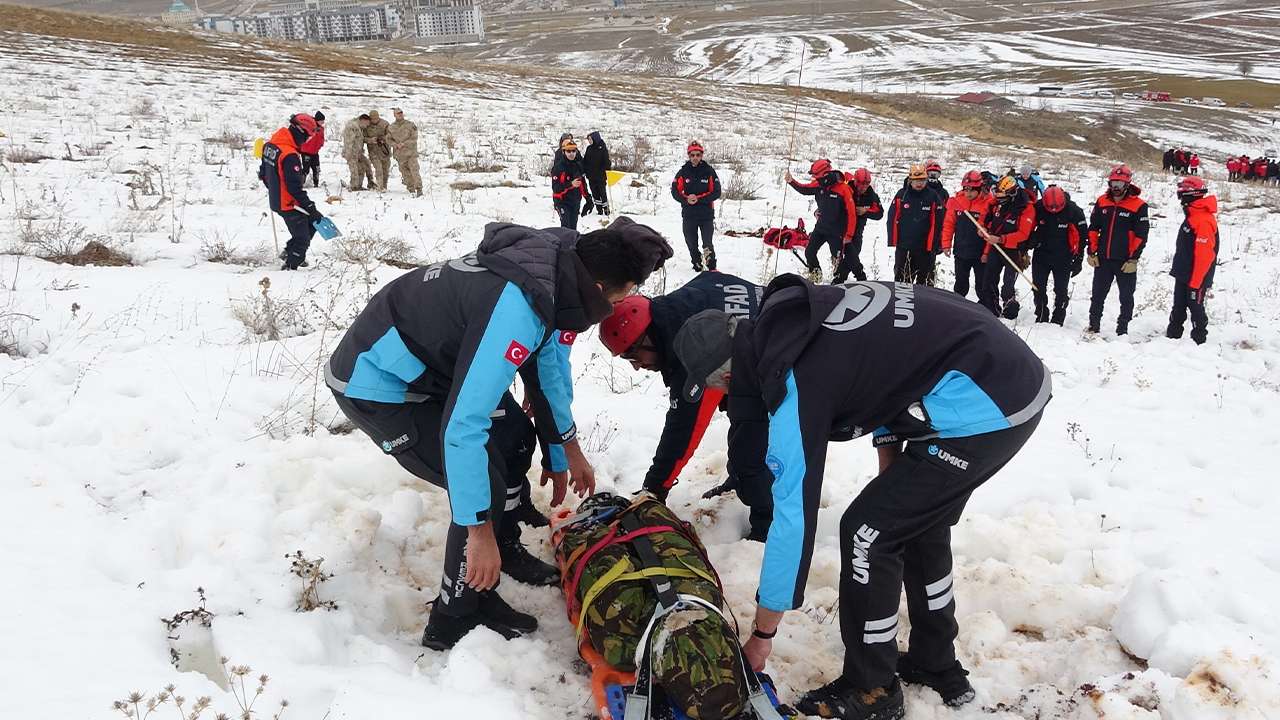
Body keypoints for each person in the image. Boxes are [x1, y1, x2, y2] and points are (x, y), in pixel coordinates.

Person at [673, 275, 1050, 720]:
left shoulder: (795, 376)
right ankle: (935, 662)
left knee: (866, 534)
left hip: (988, 404)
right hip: (1000, 376)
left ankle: (872, 689)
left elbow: (793, 514)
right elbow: (889, 378)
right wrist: (891, 482)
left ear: (730, 374)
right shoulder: (798, 324)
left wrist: (762, 634)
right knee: (910, 522)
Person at [326, 217, 673, 651]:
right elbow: (463, 426)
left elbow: (548, 369)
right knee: (480, 487)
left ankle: (504, 548)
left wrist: (565, 447)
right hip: (379, 382)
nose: (627, 301)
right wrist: (479, 530)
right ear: (601, 289)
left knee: (513, 436)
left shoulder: (560, 270)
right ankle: (455, 615)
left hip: (431, 369)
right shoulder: (517, 307)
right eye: (627, 292)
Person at [597, 272, 773, 540]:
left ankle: (768, 527)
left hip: (786, 361)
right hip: (765, 342)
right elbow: (712, 275)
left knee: (752, 455)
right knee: (742, 422)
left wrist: (653, 490)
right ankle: (741, 482)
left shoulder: (693, 347)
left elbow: (684, 430)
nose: (635, 365)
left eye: (633, 354)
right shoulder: (684, 302)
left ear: (647, 335)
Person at [1086, 164, 1149, 336]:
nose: (1116, 187)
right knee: (1098, 294)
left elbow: (1141, 235)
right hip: (1103, 259)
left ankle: (1123, 328)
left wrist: (1133, 258)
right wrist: (1091, 252)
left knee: (1126, 297)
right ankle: (1093, 324)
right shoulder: (1102, 201)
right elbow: (1093, 228)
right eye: (1113, 183)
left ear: (1127, 184)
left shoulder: (1139, 205)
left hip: (1125, 261)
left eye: (1120, 184)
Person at [258, 113, 325, 271]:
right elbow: (295, 188)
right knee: (302, 239)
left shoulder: (271, 145)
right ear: (300, 131)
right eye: (308, 136)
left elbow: (263, 173)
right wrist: (310, 207)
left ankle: (288, 252)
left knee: (314, 222)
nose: (308, 140)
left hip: (277, 198)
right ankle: (290, 267)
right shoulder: (289, 155)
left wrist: (274, 188)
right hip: (288, 203)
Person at [786, 159, 857, 283]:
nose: (814, 179)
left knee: (837, 259)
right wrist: (791, 181)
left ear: (825, 175)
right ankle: (816, 276)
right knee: (809, 252)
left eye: (816, 176)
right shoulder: (818, 184)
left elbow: (852, 214)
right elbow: (804, 189)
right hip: (821, 228)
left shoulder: (843, 189)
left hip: (837, 231)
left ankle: (838, 282)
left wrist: (849, 235)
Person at [1166, 176, 1218, 345]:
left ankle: (1199, 341)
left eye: (1182, 193)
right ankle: (1172, 337)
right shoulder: (1193, 215)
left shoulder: (1203, 219)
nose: (1180, 198)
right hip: (1183, 272)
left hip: (1197, 277)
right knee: (1178, 306)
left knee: (1195, 307)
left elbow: (1205, 255)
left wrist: (1196, 282)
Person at [977, 176, 1036, 319]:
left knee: (1007, 286)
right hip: (995, 247)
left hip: (1014, 250)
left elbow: (1023, 233)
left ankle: (1010, 314)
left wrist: (1001, 239)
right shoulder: (996, 202)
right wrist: (982, 226)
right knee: (989, 280)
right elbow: (986, 212)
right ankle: (990, 310)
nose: (999, 199)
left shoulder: (1027, 208)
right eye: (998, 196)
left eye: (1002, 197)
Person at [1028, 185, 1087, 325]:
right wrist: (1025, 247)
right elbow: (1026, 227)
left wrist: (1079, 259)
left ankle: (1059, 317)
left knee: (1061, 289)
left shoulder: (1074, 211)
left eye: (1057, 207)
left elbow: (1083, 236)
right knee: (1038, 286)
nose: (1054, 210)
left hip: (1064, 256)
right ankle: (1041, 313)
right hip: (1041, 254)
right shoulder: (1038, 207)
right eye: (1050, 208)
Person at [887, 163, 945, 285]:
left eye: (922, 180)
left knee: (923, 281)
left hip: (925, 248)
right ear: (910, 180)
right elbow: (892, 217)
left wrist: (936, 244)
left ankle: (922, 303)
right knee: (902, 279)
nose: (919, 184)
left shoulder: (933, 196)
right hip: (904, 246)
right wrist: (892, 240)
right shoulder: (902, 195)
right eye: (916, 180)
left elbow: (939, 222)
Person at [940, 170, 994, 300]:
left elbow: (991, 231)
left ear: (980, 188)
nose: (968, 193)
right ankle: (958, 307)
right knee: (960, 284)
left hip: (980, 254)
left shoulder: (989, 203)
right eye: (966, 189)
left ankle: (987, 308)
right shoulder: (957, 201)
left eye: (971, 190)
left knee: (982, 285)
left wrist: (986, 253)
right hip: (961, 251)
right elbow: (949, 224)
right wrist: (946, 244)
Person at [671, 141, 722, 272]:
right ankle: (697, 262)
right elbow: (675, 191)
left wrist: (699, 199)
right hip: (689, 215)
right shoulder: (683, 172)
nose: (695, 157)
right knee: (691, 243)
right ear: (689, 155)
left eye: (698, 155)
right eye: (692, 155)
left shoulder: (709, 171)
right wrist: (686, 199)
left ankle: (712, 267)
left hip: (706, 215)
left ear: (701, 156)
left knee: (707, 244)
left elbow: (717, 192)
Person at [840, 168, 884, 283]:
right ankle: (859, 277)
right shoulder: (846, 188)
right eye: (860, 184)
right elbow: (833, 203)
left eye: (866, 184)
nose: (863, 187)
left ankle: (840, 277)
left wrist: (865, 211)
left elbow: (880, 213)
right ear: (855, 181)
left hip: (858, 230)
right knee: (848, 255)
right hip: (842, 228)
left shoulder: (871, 195)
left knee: (854, 254)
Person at [551, 138, 589, 230]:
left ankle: (572, 244)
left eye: (573, 151)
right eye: (568, 151)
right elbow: (556, 188)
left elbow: (582, 184)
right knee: (565, 227)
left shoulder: (578, 165)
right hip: (562, 202)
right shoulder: (558, 168)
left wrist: (588, 199)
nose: (571, 153)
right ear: (564, 152)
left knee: (573, 228)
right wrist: (570, 184)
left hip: (575, 201)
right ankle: (563, 244)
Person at [387, 107, 422, 196]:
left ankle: (419, 189)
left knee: (414, 170)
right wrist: (395, 145)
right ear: (394, 115)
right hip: (400, 154)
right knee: (405, 172)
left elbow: (414, 138)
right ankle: (411, 189)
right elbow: (388, 139)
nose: (400, 114)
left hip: (411, 153)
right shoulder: (391, 127)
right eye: (398, 113)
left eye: (401, 112)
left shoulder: (410, 125)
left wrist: (404, 144)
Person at [582, 131, 611, 216]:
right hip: (591, 176)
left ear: (595, 138)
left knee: (602, 193)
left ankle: (606, 210)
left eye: (590, 139)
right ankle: (599, 210)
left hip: (601, 176)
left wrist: (607, 171)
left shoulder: (602, 148)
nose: (589, 141)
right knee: (595, 193)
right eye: (588, 140)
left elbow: (607, 162)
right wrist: (584, 170)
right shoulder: (589, 148)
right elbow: (585, 161)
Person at [342, 114, 372, 191]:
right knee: (354, 170)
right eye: (367, 124)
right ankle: (354, 186)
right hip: (351, 152)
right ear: (363, 120)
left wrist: (371, 140)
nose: (367, 126)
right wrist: (349, 153)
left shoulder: (359, 127)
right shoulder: (352, 126)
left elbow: (359, 139)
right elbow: (349, 141)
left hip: (358, 152)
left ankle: (359, 185)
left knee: (363, 167)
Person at [364, 109, 392, 191]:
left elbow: (390, 136)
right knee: (378, 169)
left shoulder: (385, 124)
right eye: (373, 119)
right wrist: (370, 140)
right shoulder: (367, 125)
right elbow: (363, 138)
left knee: (385, 170)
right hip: (373, 151)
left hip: (384, 151)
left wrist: (383, 139)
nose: (375, 120)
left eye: (376, 118)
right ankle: (379, 187)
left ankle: (384, 186)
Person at [299, 110, 325, 188]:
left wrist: (320, 145)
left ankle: (316, 184)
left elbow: (321, 138)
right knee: (306, 169)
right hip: (306, 152)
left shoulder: (321, 129)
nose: (323, 122)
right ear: (317, 120)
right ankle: (300, 184)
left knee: (316, 168)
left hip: (315, 152)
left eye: (323, 121)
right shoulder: (309, 126)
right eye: (322, 121)